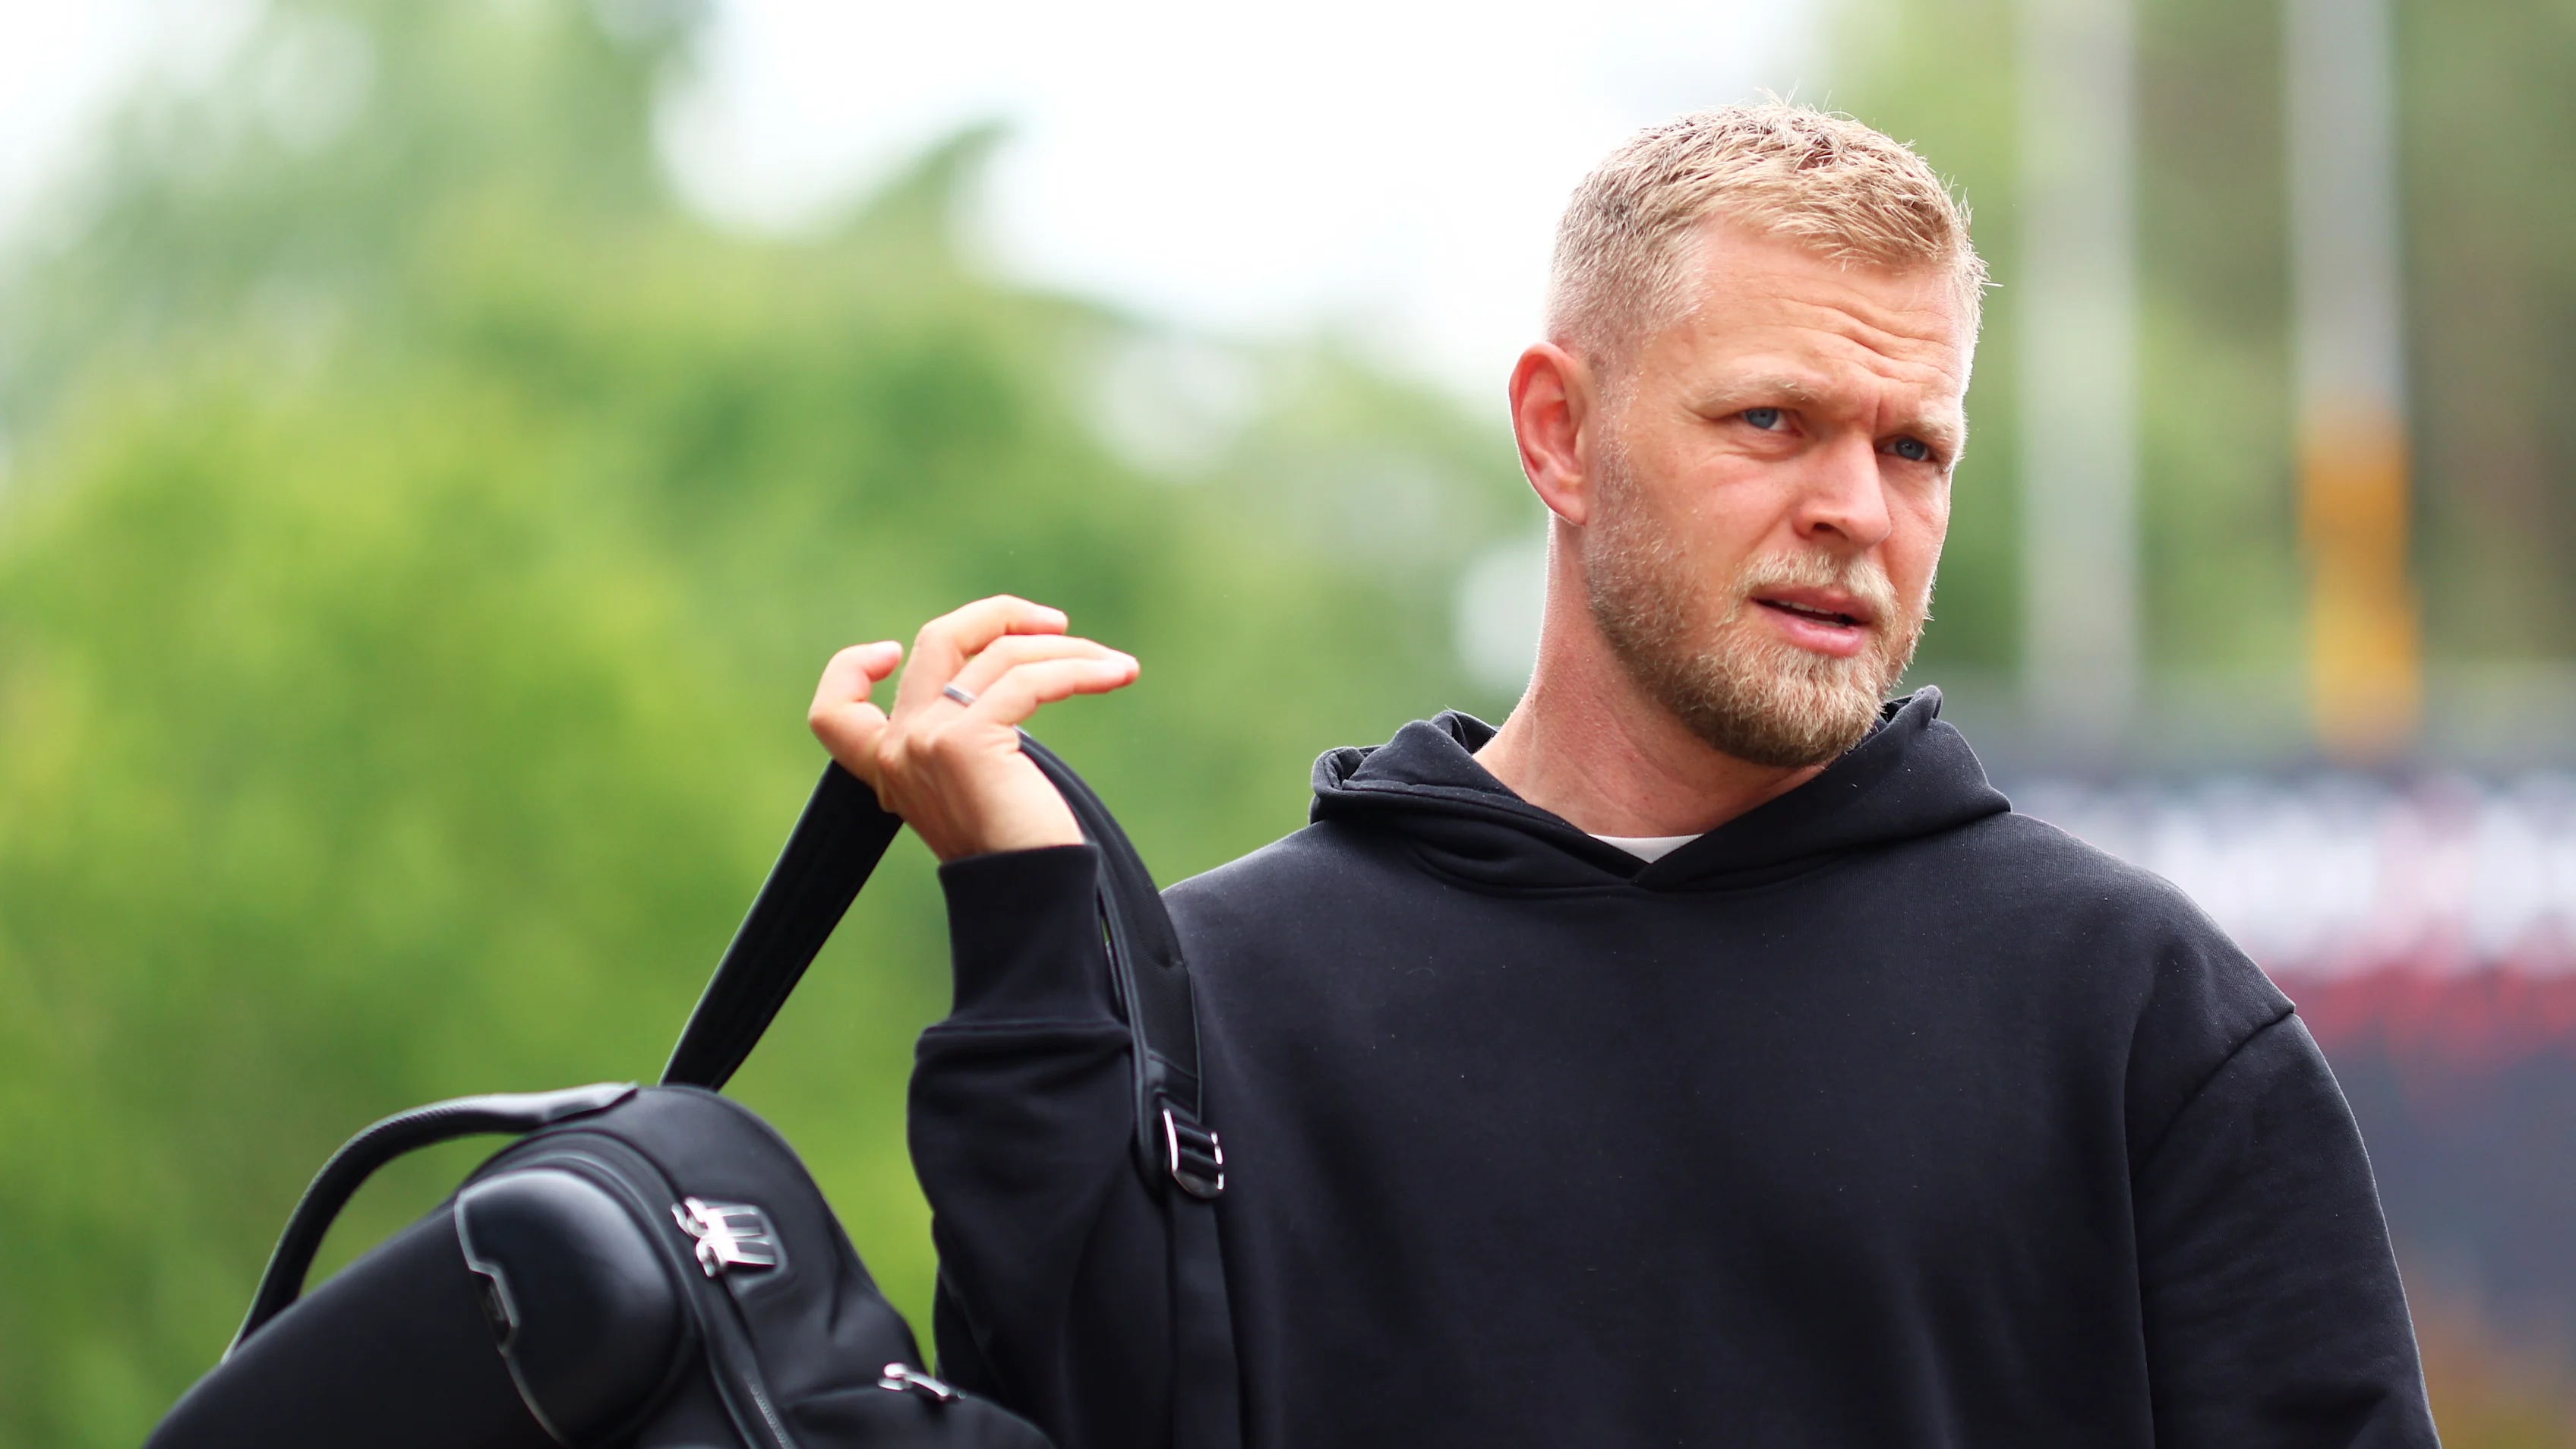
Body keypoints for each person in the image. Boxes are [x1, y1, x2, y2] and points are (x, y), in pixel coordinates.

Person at [807, 105, 2438, 1448]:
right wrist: (1024, 919)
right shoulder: (1224, 995)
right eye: (1772, 421)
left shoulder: (2136, 1017)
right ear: (1558, 435)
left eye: (1911, 445)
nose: (1854, 510)